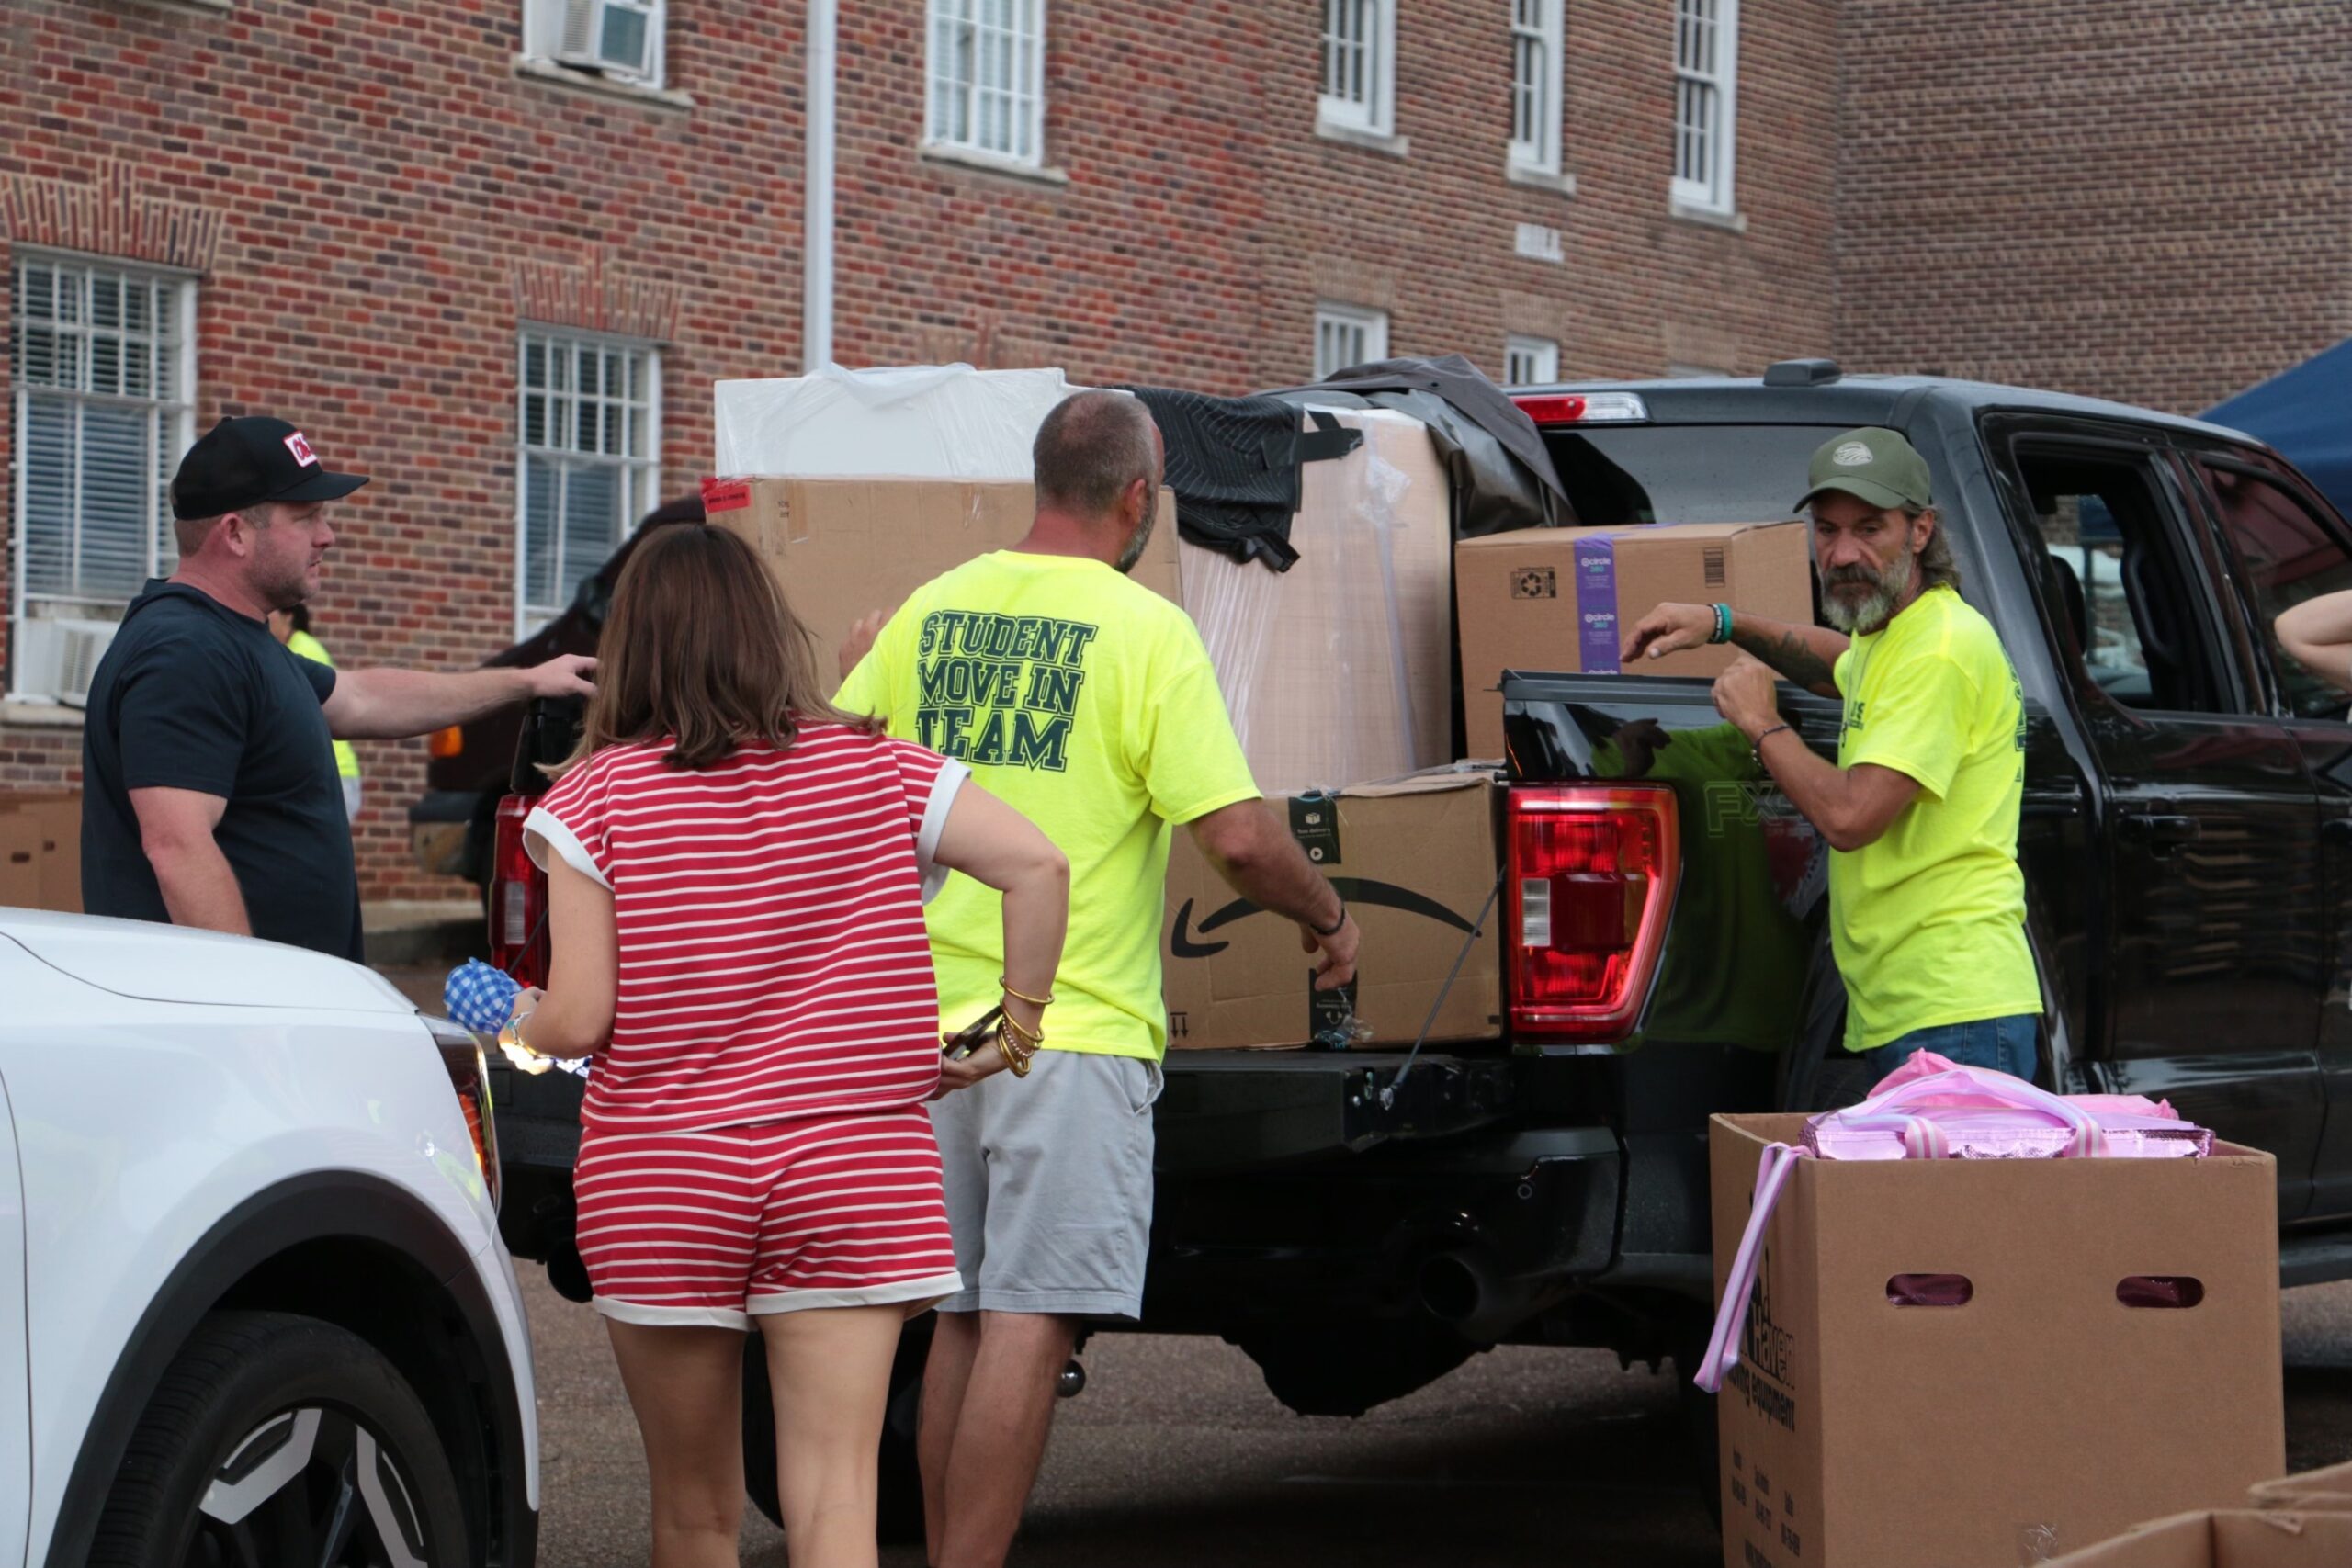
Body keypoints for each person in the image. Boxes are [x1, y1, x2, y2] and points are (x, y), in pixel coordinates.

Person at [833, 389, 1360, 1568]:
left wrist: (854, 670)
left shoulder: (931, 608)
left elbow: (843, 759)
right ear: (1136, 501)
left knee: (961, 1318)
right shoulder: (1145, 632)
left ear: (1040, 482)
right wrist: (1329, 915)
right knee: (1029, 1315)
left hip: (931, 1031)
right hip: (1063, 1027)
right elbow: (1233, 836)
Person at [503, 522, 1070, 1568]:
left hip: (667, 1171)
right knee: (834, 1506)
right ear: (767, 633)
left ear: (635, 646)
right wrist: (1010, 1034)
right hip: (853, 1167)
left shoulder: (596, 797)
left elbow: (577, 1019)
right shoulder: (881, 769)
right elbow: (1037, 867)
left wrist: (510, 1033)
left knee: (695, 1514)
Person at [1621, 426, 2039, 1102]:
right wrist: (1720, 620)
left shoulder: (1937, 651)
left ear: (1921, 530)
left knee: (1951, 1211)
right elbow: (1834, 663)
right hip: (1918, 1004)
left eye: (1870, 528)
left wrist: (1761, 722)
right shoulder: (1899, 634)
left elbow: (1850, 816)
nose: (1843, 553)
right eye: (1826, 529)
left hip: (1953, 1009)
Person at [82, 416, 595, 961]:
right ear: (234, 533)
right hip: (234, 1019)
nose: (328, 535)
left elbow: (361, 699)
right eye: (306, 518)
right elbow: (177, 847)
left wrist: (527, 681)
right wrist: (251, 1014)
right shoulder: (185, 650)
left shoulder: (235, 641)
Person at [267, 603, 364, 823]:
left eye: (269, 614)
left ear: (288, 616)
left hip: (332, 777)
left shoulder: (302, 651)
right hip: (323, 776)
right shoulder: (291, 647)